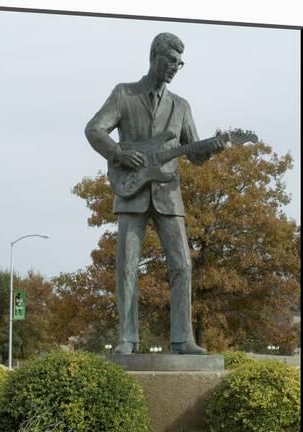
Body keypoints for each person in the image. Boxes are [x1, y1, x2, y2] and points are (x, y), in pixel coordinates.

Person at [85, 32, 224, 354]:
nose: (175, 67)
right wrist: (118, 154)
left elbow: (194, 152)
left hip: (168, 194)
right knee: (127, 265)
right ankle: (127, 338)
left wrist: (212, 148)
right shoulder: (124, 94)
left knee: (183, 266)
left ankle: (182, 339)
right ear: (155, 57)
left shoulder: (181, 106)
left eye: (180, 63)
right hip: (131, 190)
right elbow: (94, 129)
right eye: (171, 61)